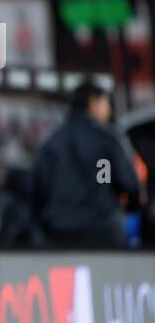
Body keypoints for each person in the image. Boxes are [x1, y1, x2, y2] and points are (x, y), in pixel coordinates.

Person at [30, 82, 141, 247]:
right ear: (93, 103)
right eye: (106, 103)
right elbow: (129, 185)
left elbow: (35, 191)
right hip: (104, 232)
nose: (109, 109)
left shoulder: (51, 142)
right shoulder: (107, 139)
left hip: (58, 234)